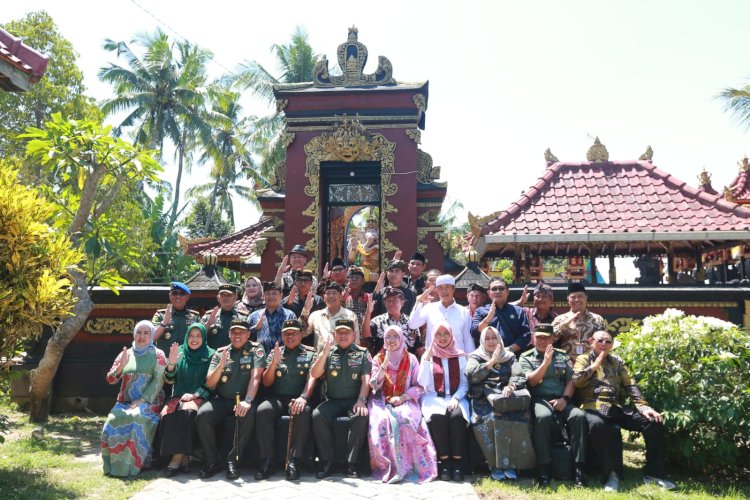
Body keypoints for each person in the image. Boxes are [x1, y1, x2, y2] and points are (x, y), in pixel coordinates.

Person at [573, 330, 675, 492]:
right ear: (592, 341)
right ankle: (612, 475)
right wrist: (594, 365)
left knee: (652, 421)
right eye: (600, 340)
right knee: (600, 426)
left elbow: (630, 384)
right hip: (592, 407)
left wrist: (644, 406)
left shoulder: (617, 361)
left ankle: (654, 474)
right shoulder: (583, 359)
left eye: (608, 342)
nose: (604, 344)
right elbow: (577, 382)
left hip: (615, 407)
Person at [195, 319, 265, 480]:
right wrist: (221, 365)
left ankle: (232, 461)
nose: (237, 335)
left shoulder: (256, 349)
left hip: (245, 399)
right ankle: (212, 461)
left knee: (246, 416)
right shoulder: (220, 353)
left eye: (241, 332)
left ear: (248, 334)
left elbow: (256, 378)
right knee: (203, 415)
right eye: (234, 332)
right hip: (223, 399)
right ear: (229, 334)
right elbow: (211, 383)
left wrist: (247, 401)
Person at [519, 324, 587, 487]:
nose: (542, 341)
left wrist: (564, 399)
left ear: (552, 339)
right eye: (539, 337)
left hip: (562, 398)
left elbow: (571, 381)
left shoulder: (563, 356)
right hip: (539, 399)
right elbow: (532, 381)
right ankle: (543, 468)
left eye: (546, 337)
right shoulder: (526, 357)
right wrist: (545, 363)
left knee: (579, 416)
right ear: (534, 338)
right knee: (543, 417)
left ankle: (579, 469)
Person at [367, 325, 437, 484]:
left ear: (401, 339)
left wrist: (404, 397)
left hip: (405, 399)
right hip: (382, 401)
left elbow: (419, 386)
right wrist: (385, 361)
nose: (391, 340)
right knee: (380, 422)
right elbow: (374, 384)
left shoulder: (411, 359)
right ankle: (386, 467)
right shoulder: (378, 358)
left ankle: (409, 466)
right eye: (388, 337)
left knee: (404, 418)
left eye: (395, 336)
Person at [101, 320, 167, 477]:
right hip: (125, 402)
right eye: (139, 332)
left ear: (152, 335)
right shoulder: (126, 354)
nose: (142, 336)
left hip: (151, 401)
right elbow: (110, 379)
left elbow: (159, 380)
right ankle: (112, 467)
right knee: (110, 422)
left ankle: (136, 464)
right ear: (134, 334)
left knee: (136, 418)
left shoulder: (158, 355)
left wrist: (142, 400)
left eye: (146, 333)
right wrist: (121, 366)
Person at [466, 326, 530, 482]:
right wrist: (491, 361)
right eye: (487, 338)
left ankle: (511, 464)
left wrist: (511, 386)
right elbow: (472, 376)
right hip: (483, 398)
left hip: (506, 396)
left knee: (515, 417)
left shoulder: (509, 356)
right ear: (482, 340)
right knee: (489, 419)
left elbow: (519, 374)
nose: (490, 341)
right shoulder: (476, 356)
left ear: (499, 339)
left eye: (494, 337)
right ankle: (495, 464)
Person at [255, 319, 317, 481]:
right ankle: (267, 460)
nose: (290, 337)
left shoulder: (310, 353)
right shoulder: (276, 352)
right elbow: (266, 382)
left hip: (299, 397)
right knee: (263, 410)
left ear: (301, 335)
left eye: (294, 333)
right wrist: (273, 364)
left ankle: (294, 460)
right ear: (282, 335)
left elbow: (312, 378)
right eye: (287, 334)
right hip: (278, 397)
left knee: (303, 412)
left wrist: (303, 398)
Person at [310, 319, 372, 479]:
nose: (343, 335)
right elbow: (314, 374)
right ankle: (327, 461)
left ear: (354, 335)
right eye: (340, 332)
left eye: (347, 332)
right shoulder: (328, 352)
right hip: (333, 400)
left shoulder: (362, 353)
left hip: (354, 400)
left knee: (361, 415)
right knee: (317, 415)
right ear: (334, 335)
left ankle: (351, 463)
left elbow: (366, 380)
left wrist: (361, 400)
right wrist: (324, 353)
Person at [160, 322, 214, 477]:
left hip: (200, 396)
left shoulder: (211, 354)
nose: (194, 339)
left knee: (186, 412)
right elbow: (169, 380)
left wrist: (195, 395)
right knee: (165, 414)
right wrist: (171, 364)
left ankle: (176, 458)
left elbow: (212, 384)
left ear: (204, 337)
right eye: (191, 335)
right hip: (178, 396)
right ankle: (184, 457)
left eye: (198, 336)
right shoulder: (180, 352)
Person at [417, 321, 470, 482]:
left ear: (451, 335)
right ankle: (445, 462)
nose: (442, 337)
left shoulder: (460, 356)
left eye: (446, 333)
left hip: (456, 397)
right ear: (433, 337)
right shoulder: (429, 357)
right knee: (438, 419)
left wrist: (455, 398)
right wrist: (426, 359)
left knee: (456, 418)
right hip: (433, 398)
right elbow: (423, 382)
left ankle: (457, 462)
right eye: (438, 334)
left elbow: (464, 384)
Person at [409, 275, 475, 355]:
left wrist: (470, 363)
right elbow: (412, 324)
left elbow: (467, 340)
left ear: (453, 289)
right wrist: (419, 302)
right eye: (440, 287)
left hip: (457, 359)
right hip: (434, 359)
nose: (444, 291)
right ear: (436, 290)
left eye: (447, 287)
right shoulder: (429, 308)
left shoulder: (464, 312)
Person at [471, 278, 530, 355]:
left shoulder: (518, 311)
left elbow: (526, 335)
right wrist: (488, 319)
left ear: (507, 292)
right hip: (487, 357)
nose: (497, 291)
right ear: (489, 293)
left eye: (501, 288)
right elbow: (474, 332)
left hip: (512, 357)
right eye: (494, 289)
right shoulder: (481, 311)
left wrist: (509, 350)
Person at [364, 286, 423, 357]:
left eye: (395, 301)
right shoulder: (377, 321)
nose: (391, 303)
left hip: (406, 364)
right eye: (388, 301)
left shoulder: (412, 322)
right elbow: (366, 335)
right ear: (384, 303)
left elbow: (419, 347)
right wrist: (368, 312)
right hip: (383, 364)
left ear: (402, 303)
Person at [552, 282, 605, 362]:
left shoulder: (597, 319)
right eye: (573, 297)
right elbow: (550, 339)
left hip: (591, 364)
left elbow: (605, 342)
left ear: (586, 298)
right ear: (568, 299)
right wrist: (562, 326)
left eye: (580, 296)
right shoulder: (559, 319)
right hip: (566, 366)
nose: (576, 300)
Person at [305, 282, 360, 352]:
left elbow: (357, 342)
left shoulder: (350, 315)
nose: (331, 296)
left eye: (334, 293)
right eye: (328, 293)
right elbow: (303, 333)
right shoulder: (315, 315)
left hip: (344, 359)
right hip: (320, 359)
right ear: (324, 297)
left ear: (341, 296)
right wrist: (306, 311)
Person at [248, 281, 297, 355]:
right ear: (263, 296)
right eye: (267, 294)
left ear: (281, 295)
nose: (271, 296)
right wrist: (255, 328)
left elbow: (296, 337)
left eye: (274, 293)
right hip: (259, 359)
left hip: (283, 359)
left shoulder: (289, 315)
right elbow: (244, 338)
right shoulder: (254, 316)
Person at [152, 282, 200, 355]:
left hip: (187, 360)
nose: (178, 296)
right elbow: (151, 338)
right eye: (174, 293)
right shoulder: (160, 315)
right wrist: (164, 323)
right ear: (170, 296)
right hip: (165, 361)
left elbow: (201, 339)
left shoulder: (195, 317)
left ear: (187, 296)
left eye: (181, 293)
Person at [202, 284, 248, 350]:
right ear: (218, 298)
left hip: (236, 358)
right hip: (213, 358)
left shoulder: (243, 317)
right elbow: (197, 336)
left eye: (229, 295)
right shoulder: (209, 316)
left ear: (235, 297)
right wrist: (208, 325)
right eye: (223, 295)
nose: (225, 298)